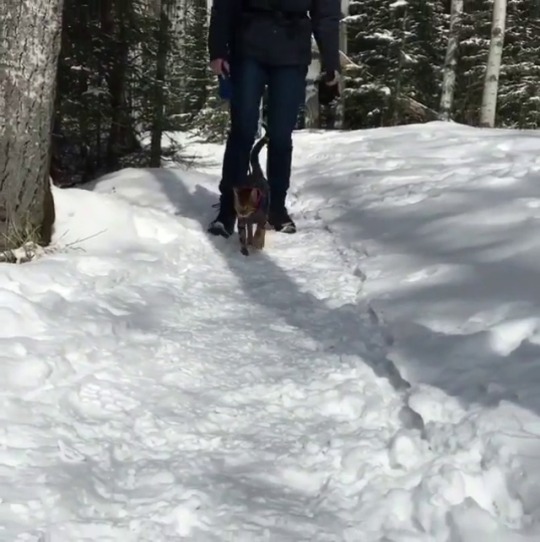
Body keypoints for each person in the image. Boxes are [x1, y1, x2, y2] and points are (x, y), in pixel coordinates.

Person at [207, 0, 341, 238]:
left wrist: (331, 64)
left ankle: (276, 208)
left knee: (281, 134)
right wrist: (218, 50)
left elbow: (326, 14)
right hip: (248, 44)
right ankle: (229, 207)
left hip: (292, 50)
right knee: (243, 130)